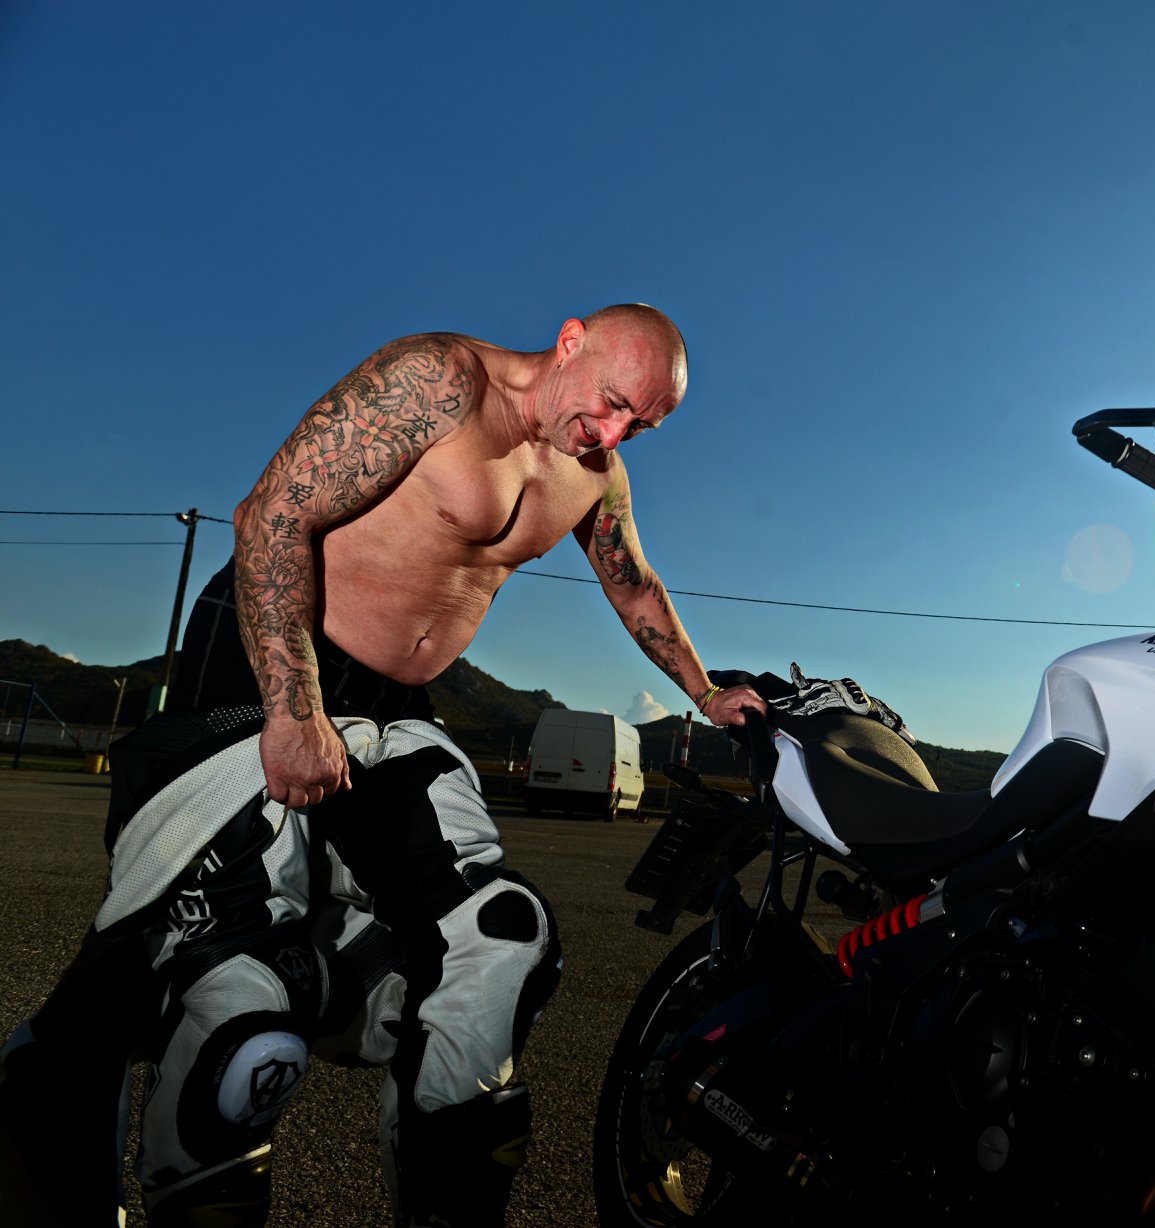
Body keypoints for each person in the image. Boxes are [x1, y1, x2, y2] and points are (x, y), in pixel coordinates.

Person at [0, 304, 767, 1226]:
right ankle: (50, 1085)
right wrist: (293, 709)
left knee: (501, 940)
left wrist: (705, 693)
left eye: (640, 425)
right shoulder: (438, 380)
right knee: (226, 984)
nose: (611, 433)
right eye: (609, 402)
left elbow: (633, 583)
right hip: (269, 656)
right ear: (571, 342)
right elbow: (270, 514)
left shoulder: (596, 477)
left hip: (393, 706)